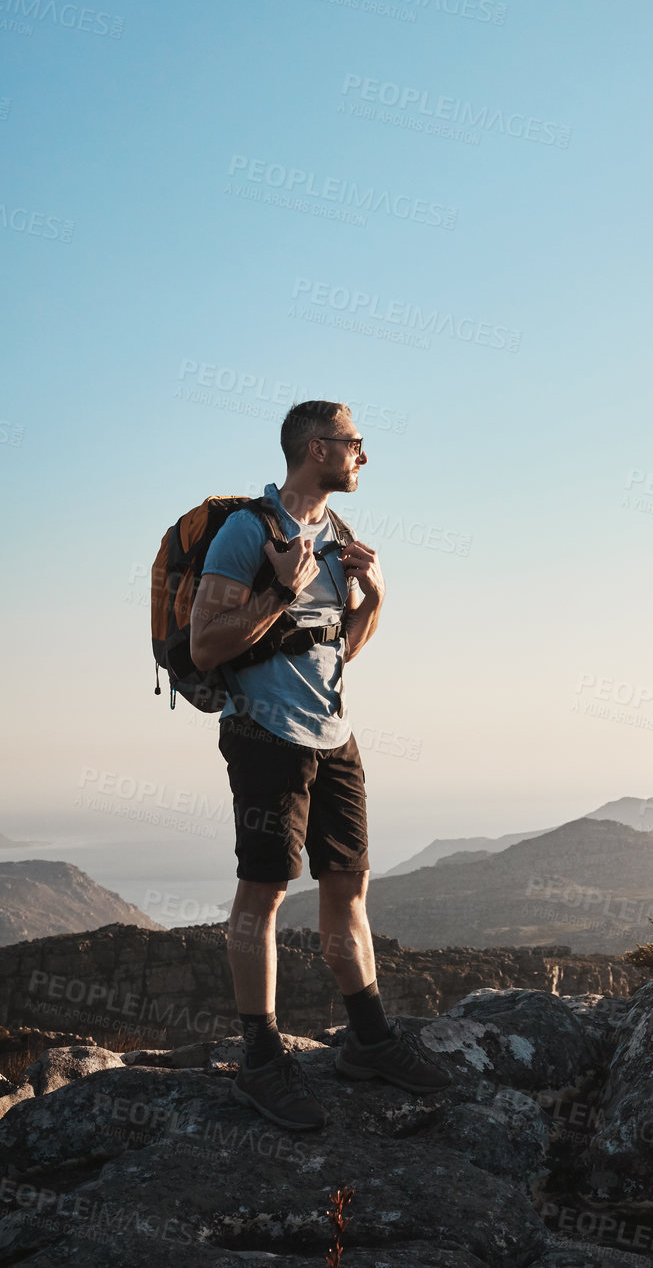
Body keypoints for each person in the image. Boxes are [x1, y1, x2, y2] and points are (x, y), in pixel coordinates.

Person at [189, 398, 450, 1129]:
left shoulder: (338, 533)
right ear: (314, 448)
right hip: (266, 736)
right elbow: (208, 645)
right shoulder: (249, 532)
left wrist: (376, 598)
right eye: (353, 442)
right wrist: (279, 588)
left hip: (333, 738)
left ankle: (369, 1042)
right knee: (264, 892)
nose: (363, 455)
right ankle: (263, 1061)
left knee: (347, 886)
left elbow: (337, 649)